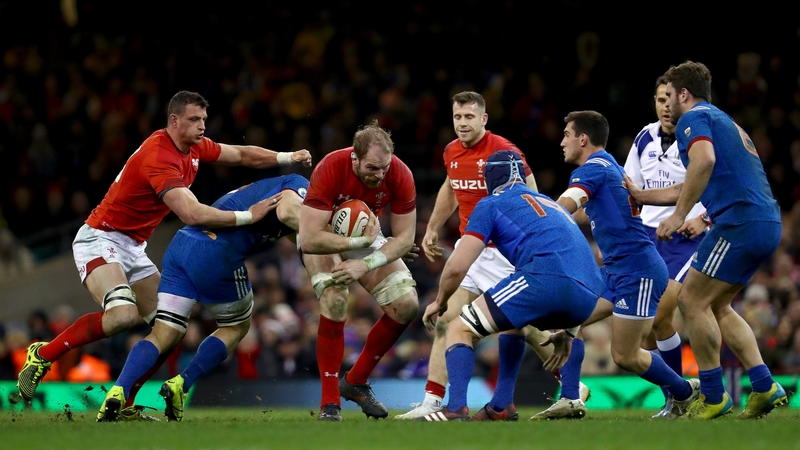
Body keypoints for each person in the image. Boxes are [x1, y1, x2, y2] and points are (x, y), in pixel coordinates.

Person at [16, 91, 312, 418]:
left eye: (203, 120)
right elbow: (194, 214)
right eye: (194, 120)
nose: (202, 127)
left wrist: (287, 156)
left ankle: (124, 402)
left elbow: (241, 154)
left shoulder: (193, 146)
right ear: (174, 121)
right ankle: (43, 354)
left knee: (168, 329)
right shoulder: (160, 156)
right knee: (123, 315)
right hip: (100, 237)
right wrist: (248, 216)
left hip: (134, 246)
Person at [625, 61, 787, 419]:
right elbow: (695, 181)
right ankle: (764, 387)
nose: (667, 104)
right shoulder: (721, 119)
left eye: (671, 96)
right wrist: (644, 195)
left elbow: (703, 162)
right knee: (718, 305)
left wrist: (681, 216)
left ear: (685, 94)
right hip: (763, 221)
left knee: (691, 299)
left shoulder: (692, 119)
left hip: (737, 223)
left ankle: (713, 395)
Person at [96, 174, 309, 422]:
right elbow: (288, 214)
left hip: (182, 247)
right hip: (215, 251)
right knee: (235, 326)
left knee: (162, 334)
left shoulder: (274, 188)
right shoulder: (300, 185)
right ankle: (182, 384)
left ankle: (118, 390)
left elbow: (300, 239)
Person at [532, 110, 700, 420]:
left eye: (567, 135)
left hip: (637, 270)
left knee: (624, 355)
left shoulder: (591, 169)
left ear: (583, 139)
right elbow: (593, 210)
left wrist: (539, 223)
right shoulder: (609, 164)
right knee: (569, 319)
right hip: (615, 269)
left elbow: (569, 204)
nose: (562, 142)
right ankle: (571, 398)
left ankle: (685, 392)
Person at [416, 150, 606, 421]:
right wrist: (572, 328)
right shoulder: (551, 204)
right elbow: (579, 259)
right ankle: (506, 405)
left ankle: (456, 407)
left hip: (545, 279)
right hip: (588, 293)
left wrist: (439, 301)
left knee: (458, 327)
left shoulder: (490, 204)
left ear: (489, 179)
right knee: (513, 323)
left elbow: (457, 265)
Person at [298, 120, 419, 421]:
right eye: (372, 168)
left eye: (384, 168)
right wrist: (357, 244)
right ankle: (329, 403)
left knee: (406, 305)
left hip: (364, 234)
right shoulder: (330, 167)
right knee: (335, 299)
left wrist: (363, 262)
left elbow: (405, 238)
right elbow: (310, 237)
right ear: (355, 157)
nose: (380, 175)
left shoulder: (400, 174)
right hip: (323, 235)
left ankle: (355, 381)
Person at [623, 75, 710, 418]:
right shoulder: (644, 137)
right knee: (653, 327)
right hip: (648, 238)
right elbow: (631, 188)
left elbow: (712, 181)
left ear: (680, 100)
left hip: (685, 238)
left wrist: (703, 219)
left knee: (662, 315)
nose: (664, 106)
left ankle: (687, 394)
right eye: (659, 99)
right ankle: (678, 397)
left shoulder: (696, 138)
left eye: (669, 98)